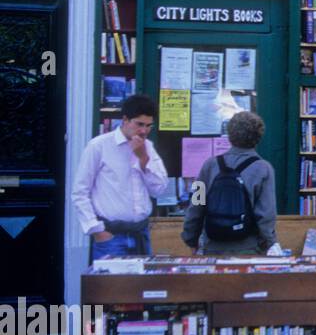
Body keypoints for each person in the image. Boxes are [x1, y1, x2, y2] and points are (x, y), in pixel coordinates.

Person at [72, 94, 169, 260]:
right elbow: (80, 192)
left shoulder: (148, 148)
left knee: (141, 285)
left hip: (140, 233)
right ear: (125, 120)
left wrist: (143, 159)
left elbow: (159, 189)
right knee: (110, 286)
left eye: (148, 126)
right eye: (139, 124)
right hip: (111, 236)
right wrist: (97, 230)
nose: (144, 131)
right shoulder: (99, 146)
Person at [182, 111, 279, 256]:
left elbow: (196, 204)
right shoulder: (264, 169)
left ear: (230, 134)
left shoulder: (208, 165)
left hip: (212, 245)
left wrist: (191, 238)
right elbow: (266, 214)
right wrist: (270, 243)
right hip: (248, 248)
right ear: (258, 137)